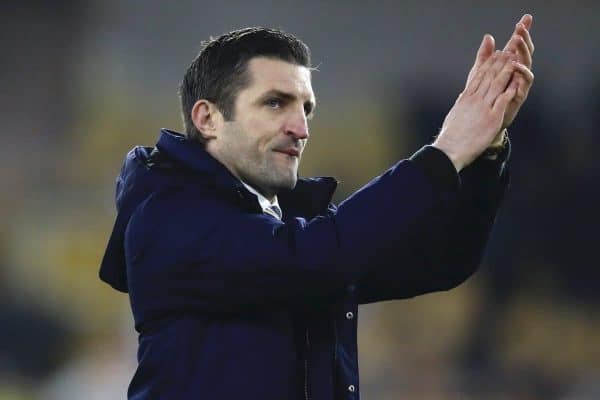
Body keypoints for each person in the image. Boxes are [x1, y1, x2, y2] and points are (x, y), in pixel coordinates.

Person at [100, 15, 534, 400]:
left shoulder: (284, 225)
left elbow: (440, 261)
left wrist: (484, 148)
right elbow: (313, 257)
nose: (301, 127)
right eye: (275, 103)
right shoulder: (170, 217)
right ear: (208, 118)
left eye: (306, 108)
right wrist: (444, 152)